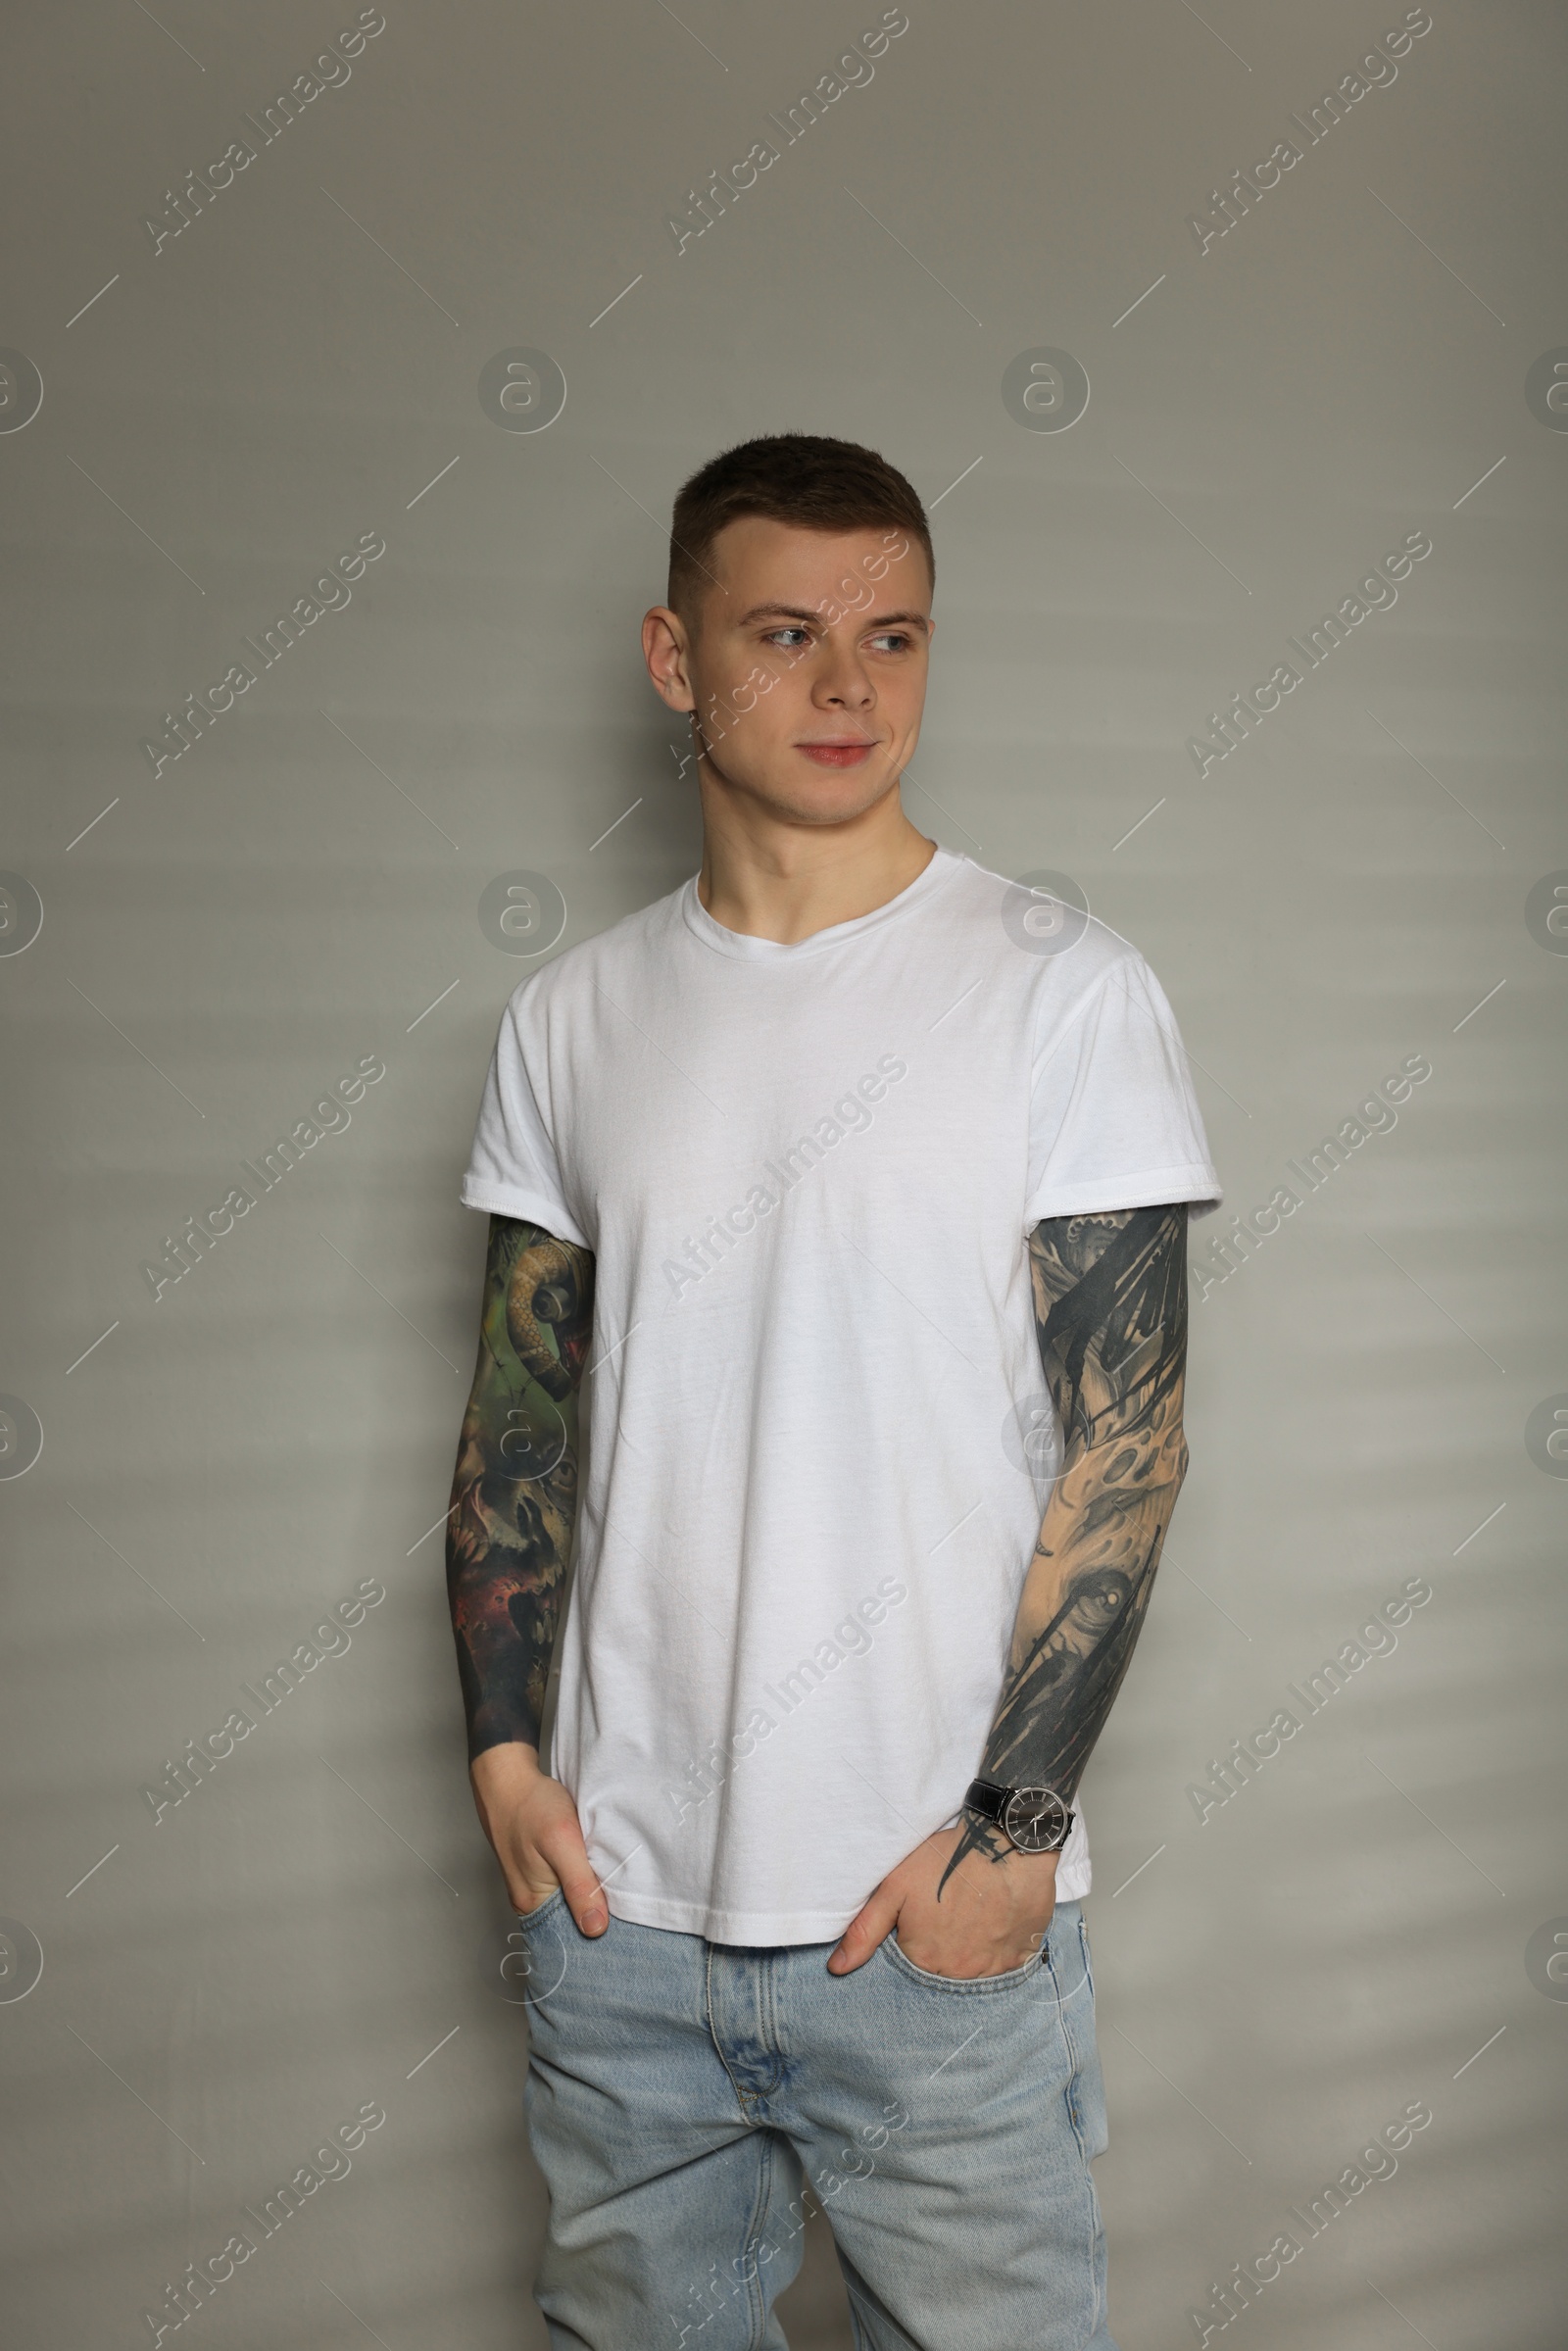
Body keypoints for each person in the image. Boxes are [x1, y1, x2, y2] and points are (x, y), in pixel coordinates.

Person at [446, 433, 1221, 2350]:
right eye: (784, 633)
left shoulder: (1058, 988)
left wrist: (1009, 1832)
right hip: (623, 1935)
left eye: (892, 636)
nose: (848, 687)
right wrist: (500, 1758)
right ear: (672, 657)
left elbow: (1127, 1441)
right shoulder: (571, 1020)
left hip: (929, 1928)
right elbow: (515, 1421)